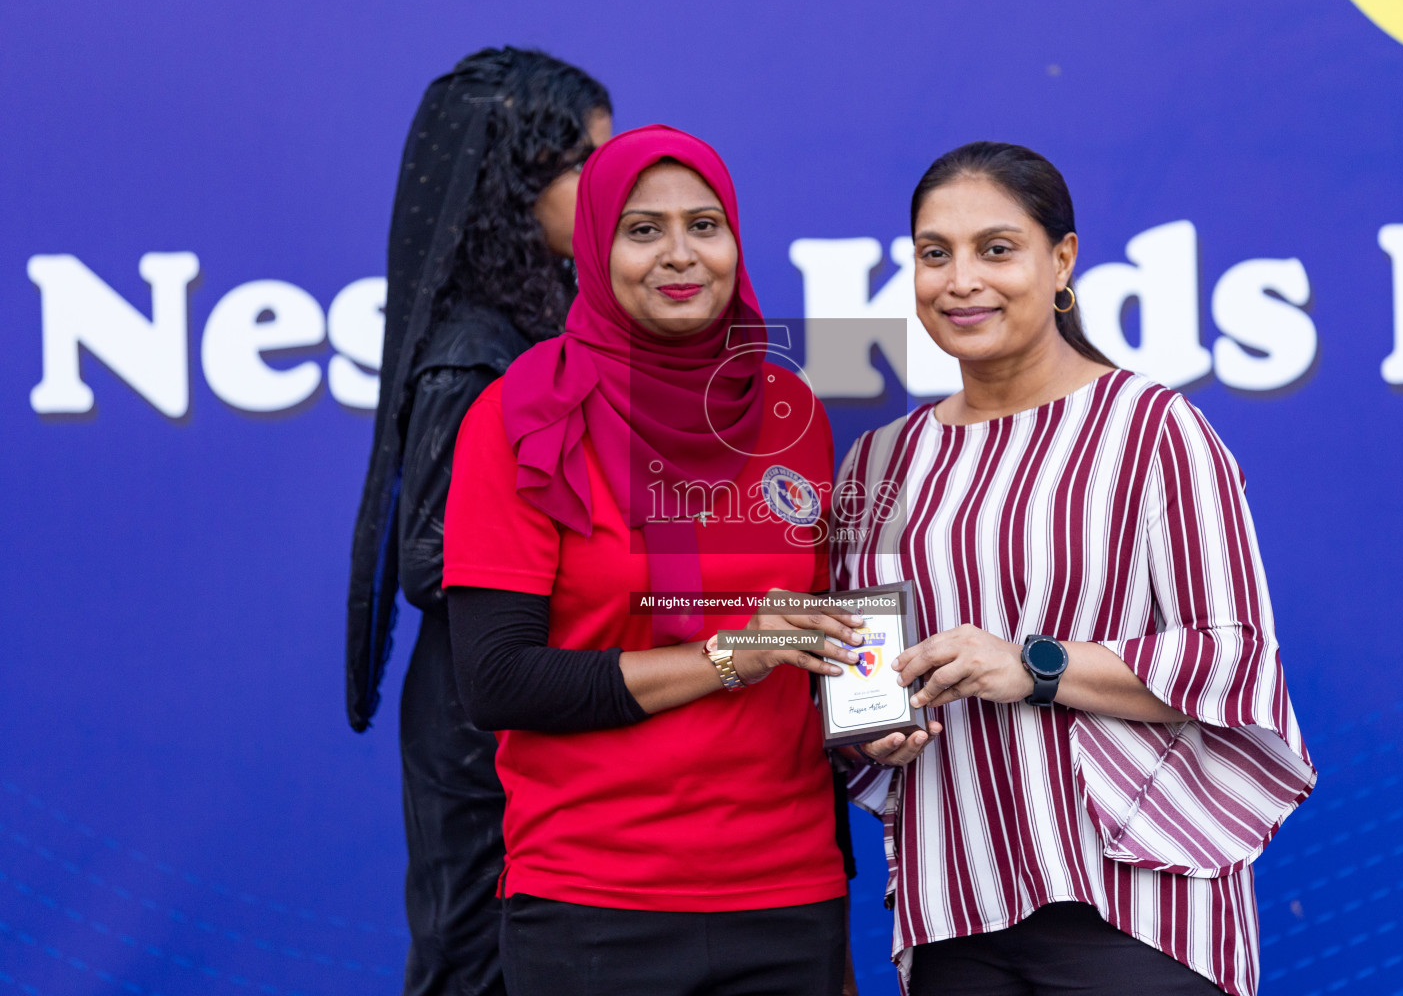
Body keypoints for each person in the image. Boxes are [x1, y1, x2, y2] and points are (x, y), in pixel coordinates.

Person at [832, 142, 1316, 996]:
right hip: (956, 910)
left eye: (996, 249)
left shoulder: (1153, 430)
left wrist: (1030, 665)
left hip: (1139, 908)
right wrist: (870, 727)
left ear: (1061, 260)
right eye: (934, 254)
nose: (961, 280)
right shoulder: (877, 465)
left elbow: (1234, 662)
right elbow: (861, 676)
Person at [441, 125, 865, 996]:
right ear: (597, 247)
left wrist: (875, 713)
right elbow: (496, 680)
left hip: (787, 892)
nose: (680, 256)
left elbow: (821, 631)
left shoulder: (791, 410)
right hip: (595, 902)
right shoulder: (519, 415)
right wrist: (724, 657)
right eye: (643, 230)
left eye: (705, 226)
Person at [344, 46, 612, 996]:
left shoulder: (540, 323)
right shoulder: (475, 350)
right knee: (472, 964)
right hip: (476, 725)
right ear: (514, 179)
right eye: (586, 165)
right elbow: (426, 559)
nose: (607, 190)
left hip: (531, 700)